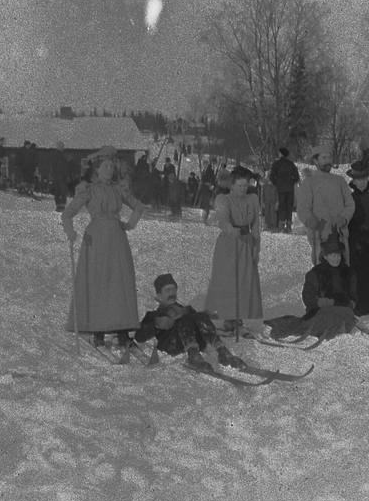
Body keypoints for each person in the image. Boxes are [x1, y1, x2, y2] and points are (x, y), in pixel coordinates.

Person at [62, 146, 146, 351]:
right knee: (99, 282)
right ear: (97, 170)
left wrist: (130, 224)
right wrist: (70, 232)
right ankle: (98, 330)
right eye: (105, 166)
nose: (110, 170)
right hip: (96, 239)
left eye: (112, 166)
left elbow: (138, 206)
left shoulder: (119, 188)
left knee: (119, 283)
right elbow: (68, 213)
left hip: (117, 239)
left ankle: (122, 331)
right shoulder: (89, 189)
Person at [134, 274, 245, 372]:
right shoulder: (153, 315)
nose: (172, 293)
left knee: (201, 316)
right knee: (185, 319)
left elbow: (201, 324)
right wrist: (156, 324)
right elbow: (139, 337)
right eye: (167, 290)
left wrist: (186, 312)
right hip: (172, 347)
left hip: (196, 344)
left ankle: (222, 351)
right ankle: (193, 356)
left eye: (173, 289)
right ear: (159, 295)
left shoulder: (186, 310)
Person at [265, 232, 359, 341]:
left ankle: (336, 328)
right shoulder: (315, 274)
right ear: (325, 256)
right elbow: (308, 299)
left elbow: (353, 295)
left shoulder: (349, 273)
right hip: (320, 313)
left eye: (338, 255)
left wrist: (350, 303)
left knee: (348, 316)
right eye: (333, 256)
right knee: (318, 323)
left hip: (343, 312)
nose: (337, 259)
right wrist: (329, 302)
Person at [204, 164, 262, 332]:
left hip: (246, 242)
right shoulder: (223, 199)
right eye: (240, 185)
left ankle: (239, 317)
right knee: (228, 280)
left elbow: (256, 225)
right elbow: (222, 219)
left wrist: (256, 247)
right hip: (229, 243)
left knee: (244, 280)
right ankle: (227, 317)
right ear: (232, 184)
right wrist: (231, 230)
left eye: (246, 185)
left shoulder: (252, 200)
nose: (243, 189)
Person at [296, 148, 354, 265]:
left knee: (342, 273)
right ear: (316, 161)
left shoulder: (340, 181)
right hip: (320, 236)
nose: (328, 161)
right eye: (324, 158)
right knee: (322, 275)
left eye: (329, 157)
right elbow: (302, 207)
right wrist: (309, 219)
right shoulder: (309, 183)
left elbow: (350, 204)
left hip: (339, 236)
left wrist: (343, 218)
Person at [346, 156, 369, 316]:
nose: (363, 182)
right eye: (359, 179)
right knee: (357, 272)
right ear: (354, 180)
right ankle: (359, 304)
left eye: (365, 178)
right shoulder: (350, 198)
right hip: (356, 241)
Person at [269, 146, 301, 232]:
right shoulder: (291, 164)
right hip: (290, 188)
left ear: (281, 153)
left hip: (280, 188)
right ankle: (289, 224)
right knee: (289, 206)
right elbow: (297, 177)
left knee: (281, 205)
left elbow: (272, 176)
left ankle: (281, 223)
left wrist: (277, 183)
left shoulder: (276, 164)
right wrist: (291, 182)